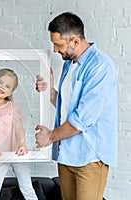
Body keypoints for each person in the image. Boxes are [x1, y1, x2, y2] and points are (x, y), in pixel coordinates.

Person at [35, 12, 117, 200]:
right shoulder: (69, 64)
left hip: (89, 158)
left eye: (59, 45)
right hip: (66, 156)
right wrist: (49, 90)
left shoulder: (100, 67)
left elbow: (82, 118)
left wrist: (51, 136)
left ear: (75, 41)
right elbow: (67, 107)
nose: (55, 50)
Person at [0, 68, 38, 200]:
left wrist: (22, 144)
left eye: (7, 86)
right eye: (0, 82)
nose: (2, 87)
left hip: (17, 153)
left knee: (27, 188)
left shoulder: (13, 106)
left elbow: (19, 128)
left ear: (10, 92)